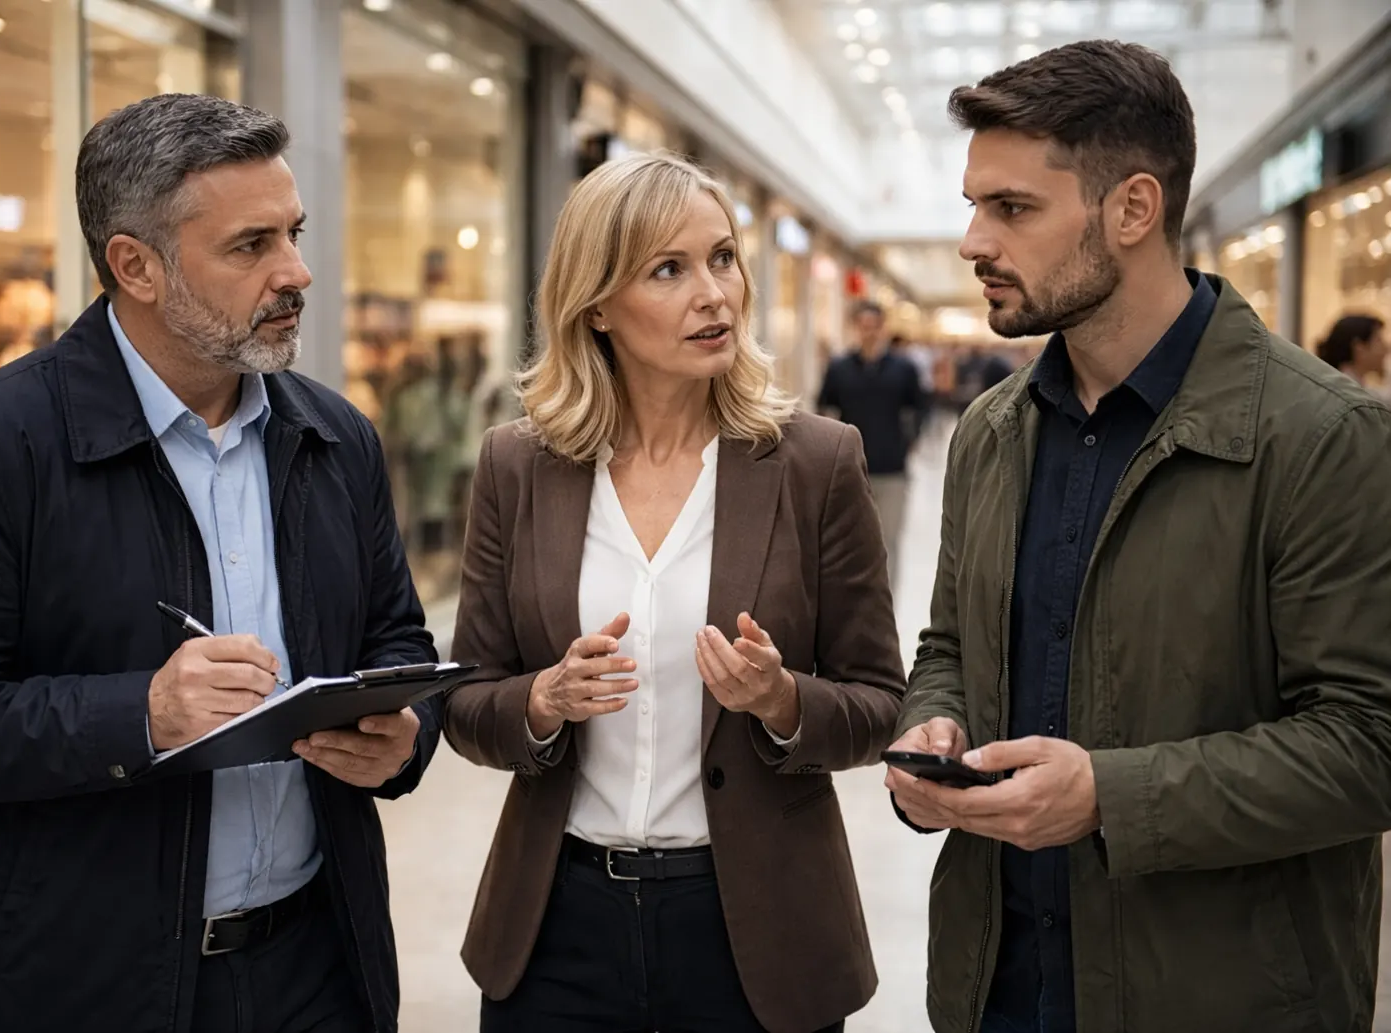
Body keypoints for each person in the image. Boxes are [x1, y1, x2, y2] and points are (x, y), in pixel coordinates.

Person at [0, 94, 441, 1033]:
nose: (297, 271)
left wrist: (408, 736)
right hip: (72, 986)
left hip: (315, 971)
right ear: (136, 266)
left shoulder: (335, 437)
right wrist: (141, 714)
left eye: (293, 232)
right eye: (252, 246)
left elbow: (397, 638)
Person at [884, 40, 1391, 1033]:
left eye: (1011, 208)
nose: (972, 242)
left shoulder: (1322, 436)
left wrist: (1108, 796)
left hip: (1218, 996)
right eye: (972, 205)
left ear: (1130, 210)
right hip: (998, 982)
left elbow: (1366, 745)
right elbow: (946, 647)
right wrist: (931, 724)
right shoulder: (990, 435)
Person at [444, 153, 906, 1033]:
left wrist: (780, 700)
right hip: (557, 925)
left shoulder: (815, 462)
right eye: (670, 269)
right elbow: (466, 699)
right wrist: (541, 700)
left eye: (723, 258)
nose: (715, 294)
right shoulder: (518, 464)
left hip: (756, 931)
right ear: (597, 306)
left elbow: (881, 701)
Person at [816, 301, 925, 584]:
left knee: (888, 541)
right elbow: (824, 409)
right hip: (849, 470)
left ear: (882, 328)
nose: (869, 333)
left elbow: (920, 406)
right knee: (849, 543)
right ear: (855, 328)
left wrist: (911, 441)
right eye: (863, 327)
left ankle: (886, 609)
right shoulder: (839, 369)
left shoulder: (903, 369)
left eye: (874, 327)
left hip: (891, 468)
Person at [1317, 313, 1387, 394]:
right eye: (1379, 341)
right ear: (1359, 348)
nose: (1386, 349)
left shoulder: (1356, 387)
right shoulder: (1346, 391)